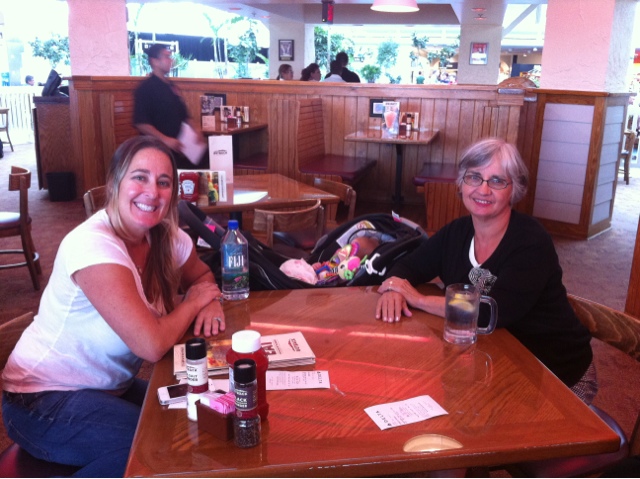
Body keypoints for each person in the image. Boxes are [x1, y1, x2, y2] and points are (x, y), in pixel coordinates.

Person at [2, 136, 225, 477]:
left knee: (192, 417)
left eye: (163, 182)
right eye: (140, 177)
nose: (152, 192)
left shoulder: (166, 237)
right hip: (40, 400)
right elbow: (151, 345)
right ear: (114, 183)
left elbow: (203, 277)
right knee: (153, 446)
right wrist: (195, 302)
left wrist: (210, 304)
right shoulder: (93, 245)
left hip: (106, 388)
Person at [375, 138, 597, 404]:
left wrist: (417, 299)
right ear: (461, 183)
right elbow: (408, 265)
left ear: (514, 189)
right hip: (494, 359)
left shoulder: (531, 242)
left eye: (497, 181)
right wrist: (394, 288)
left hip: (554, 372)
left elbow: (491, 312)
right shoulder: (456, 232)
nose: (483, 189)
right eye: (474, 177)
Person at [133, 44, 207, 170]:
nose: (171, 60)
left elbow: (184, 115)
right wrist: (165, 140)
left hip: (182, 148)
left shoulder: (171, 86)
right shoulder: (145, 88)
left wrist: (196, 130)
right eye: (166, 57)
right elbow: (141, 123)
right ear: (154, 61)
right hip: (159, 149)